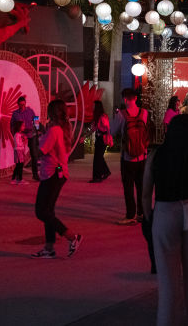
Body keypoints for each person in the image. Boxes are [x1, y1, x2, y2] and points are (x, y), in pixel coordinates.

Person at [141, 114, 188, 325]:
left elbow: (145, 194)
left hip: (164, 209)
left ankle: (168, 320)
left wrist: (149, 216)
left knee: (168, 279)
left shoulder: (155, 156)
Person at [31, 99, 82, 258]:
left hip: (52, 173)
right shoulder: (62, 129)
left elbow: (40, 152)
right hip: (58, 173)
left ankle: (71, 236)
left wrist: (35, 138)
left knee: (41, 211)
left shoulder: (54, 130)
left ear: (51, 112)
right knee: (48, 211)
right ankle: (49, 247)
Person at [111, 88, 151, 225]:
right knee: (141, 186)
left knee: (128, 187)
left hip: (128, 157)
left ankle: (130, 215)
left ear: (124, 99)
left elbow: (112, 131)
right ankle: (141, 213)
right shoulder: (144, 113)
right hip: (142, 156)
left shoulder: (121, 114)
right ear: (135, 98)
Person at [11, 95, 40, 183]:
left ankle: (35, 175)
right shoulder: (15, 113)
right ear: (18, 104)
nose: (22, 107)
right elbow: (11, 125)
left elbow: (36, 120)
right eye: (20, 105)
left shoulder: (30, 111)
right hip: (21, 137)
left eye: (23, 105)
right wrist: (15, 135)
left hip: (31, 135)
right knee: (20, 158)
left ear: (25, 103)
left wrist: (37, 129)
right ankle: (17, 177)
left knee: (34, 155)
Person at [90, 100, 112, 183]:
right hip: (99, 138)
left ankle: (98, 177)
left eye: (93, 106)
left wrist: (109, 138)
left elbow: (107, 128)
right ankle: (105, 172)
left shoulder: (102, 117)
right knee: (98, 157)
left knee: (97, 158)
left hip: (102, 139)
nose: (92, 107)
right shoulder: (98, 117)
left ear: (97, 107)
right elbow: (93, 129)